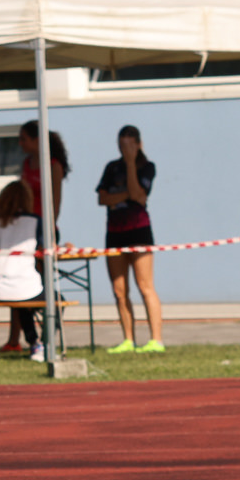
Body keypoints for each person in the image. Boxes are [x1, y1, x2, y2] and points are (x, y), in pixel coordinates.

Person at [99, 125, 165, 353]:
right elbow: (103, 198)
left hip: (139, 231)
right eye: (121, 146)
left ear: (138, 145)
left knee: (145, 285)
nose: (124, 150)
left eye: (128, 145)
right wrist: (126, 196)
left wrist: (130, 164)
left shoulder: (147, 167)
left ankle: (156, 339)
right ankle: (128, 339)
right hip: (114, 232)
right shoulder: (111, 167)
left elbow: (139, 195)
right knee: (119, 290)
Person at [0, 181, 46, 354]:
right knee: (56, 301)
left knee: (21, 303)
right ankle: (42, 342)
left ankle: (33, 341)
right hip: (25, 286)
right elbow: (45, 250)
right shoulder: (35, 221)